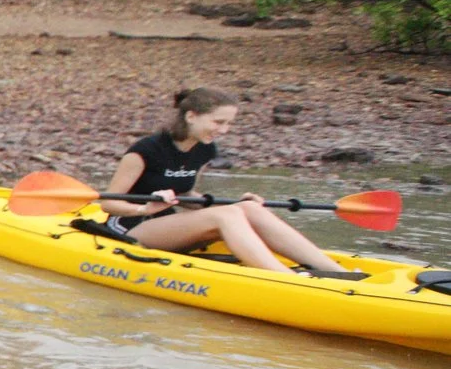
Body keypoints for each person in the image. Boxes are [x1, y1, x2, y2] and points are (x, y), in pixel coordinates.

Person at [96, 86, 354, 276]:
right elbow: (108, 204)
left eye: (229, 123)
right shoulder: (145, 150)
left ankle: (336, 272)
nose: (224, 130)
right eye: (218, 122)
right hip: (131, 228)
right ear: (191, 116)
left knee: (248, 208)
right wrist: (144, 208)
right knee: (226, 216)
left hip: (167, 224)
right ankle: (284, 278)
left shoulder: (205, 149)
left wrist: (236, 205)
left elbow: (188, 196)